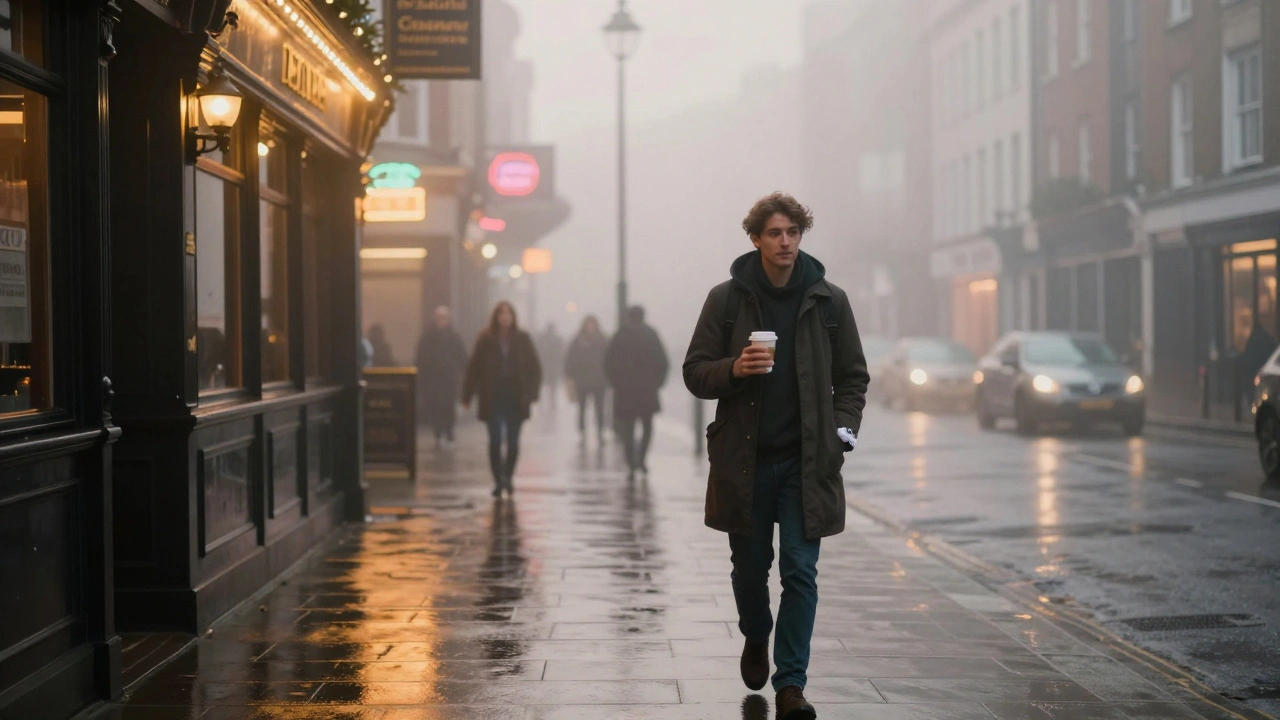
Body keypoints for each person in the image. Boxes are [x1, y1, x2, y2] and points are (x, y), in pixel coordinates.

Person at [682, 192, 869, 720]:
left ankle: (791, 685)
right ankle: (756, 633)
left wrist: (842, 430)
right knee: (749, 571)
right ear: (756, 239)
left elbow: (853, 378)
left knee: (800, 572)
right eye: (774, 233)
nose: (785, 242)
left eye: (793, 232)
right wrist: (734, 369)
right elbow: (695, 371)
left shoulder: (830, 301)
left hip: (807, 464)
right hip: (746, 463)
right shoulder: (726, 300)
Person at [462, 301, 542, 497]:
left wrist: (532, 393)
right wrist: (467, 394)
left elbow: (534, 367)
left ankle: (508, 476)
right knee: (495, 440)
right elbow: (474, 368)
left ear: (513, 317)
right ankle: (499, 480)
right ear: (496, 317)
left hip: (516, 397)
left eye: (508, 313)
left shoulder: (522, 339)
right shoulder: (486, 339)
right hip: (493, 396)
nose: (505, 317)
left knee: (513, 443)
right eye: (501, 313)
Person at [606, 305, 669, 478]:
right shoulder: (651, 334)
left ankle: (631, 462)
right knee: (647, 426)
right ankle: (641, 459)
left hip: (625, 391)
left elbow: (609, 362)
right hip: (647, 390)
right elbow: (663, 362)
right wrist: (657, 383)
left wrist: (617, 383)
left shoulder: (620, 335)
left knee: (629, 427)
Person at [415, 306, 468, 447]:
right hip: (433, 380)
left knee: (449, 406)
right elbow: (421, 359)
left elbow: (463, 357)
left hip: (449, 380)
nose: (441, 321)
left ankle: (449, 431)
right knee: (435, 407)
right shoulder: (427, 338)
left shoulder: (455, 338)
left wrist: (462, 374)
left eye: (444, 318)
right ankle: (438, 432)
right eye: (439, 318)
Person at [565, 315, 609, 445]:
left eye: (592, 324)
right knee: (582, 408)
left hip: (599, 381)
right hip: (582, 381)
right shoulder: (577, 340)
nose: (590, 327)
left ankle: (600, 432)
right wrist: (570, 375)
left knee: (600, 408)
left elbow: (609, 358)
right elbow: (570, 359)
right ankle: (582, 432)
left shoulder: (603, 340)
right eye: (588, 324)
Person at [535, 323, 567, 406]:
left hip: (548, 366)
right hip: (549, 366)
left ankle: (547, 402)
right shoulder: (556, 340)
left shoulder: (543, 340)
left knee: (548, 386)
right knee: (551, 386)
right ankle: (550, 402)